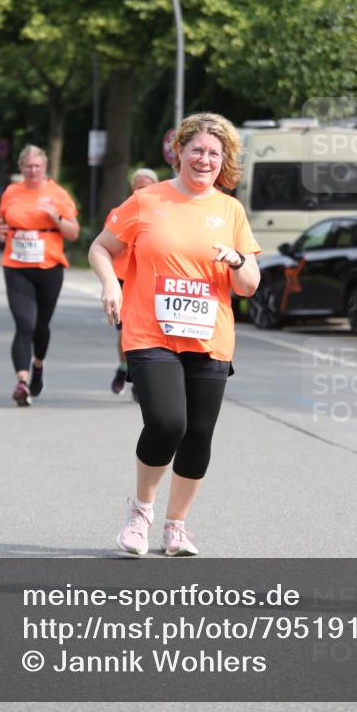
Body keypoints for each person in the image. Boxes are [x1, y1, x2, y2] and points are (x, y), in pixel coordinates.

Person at [89, 112, 260, 557]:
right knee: (168, 422)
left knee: (199, 434)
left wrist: (238, 261)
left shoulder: (230, 210)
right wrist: (111, 283)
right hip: (150, 333)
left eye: (214, 154)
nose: (205, 160)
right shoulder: (148, 201)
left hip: (210, 338)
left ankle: (176, 526)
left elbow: (250, 284)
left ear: (225, 162)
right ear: (179, 151)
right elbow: (101, 247)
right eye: (198, 150)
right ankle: (141, 512)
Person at [0, 145, 79, 406]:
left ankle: (38, 365)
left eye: (37, 166)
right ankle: (22, 381)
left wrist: (56, 218)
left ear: (45, 168)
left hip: (49, 267)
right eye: (28, 166)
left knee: (41, 326)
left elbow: (73, 232)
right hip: (16, 266)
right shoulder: (11, 192)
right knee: (24, 324)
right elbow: (2, 222)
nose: (33, 170)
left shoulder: (57, 194)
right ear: (21, 168)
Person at [109, 167, 159, 396]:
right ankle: (123, 368)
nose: (143, 191)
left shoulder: (162, 215)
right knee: (127, 331)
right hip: (122, 279)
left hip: (149, 280)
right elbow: (105, 247)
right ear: (133, 189)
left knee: (147, 332)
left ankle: (139, 380)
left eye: (148, 187)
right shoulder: (120, 212)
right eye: (139, 187)